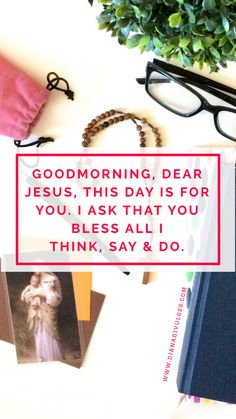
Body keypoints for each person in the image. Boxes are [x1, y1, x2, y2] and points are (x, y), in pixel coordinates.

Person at [21, 272, 63, 362]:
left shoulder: (51, 278)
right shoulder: (36, 279)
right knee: (39, 332)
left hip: (47, 310)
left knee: (49, 333)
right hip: (38, 312)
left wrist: (41, 294)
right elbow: (27, 294)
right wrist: (27, 298)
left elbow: (56, 299)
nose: (34, 269)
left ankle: (51, 357)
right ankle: (42, 357)